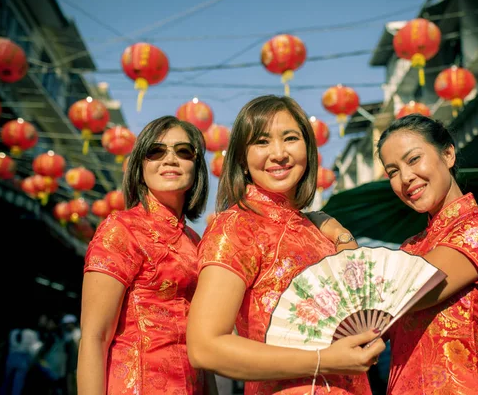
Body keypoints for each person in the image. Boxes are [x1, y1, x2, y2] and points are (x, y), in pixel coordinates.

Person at [187, 94, 386, 395]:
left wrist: (341, 234)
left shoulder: (317, 228)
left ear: (308, 148)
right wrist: (322, 361)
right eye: (262, 142)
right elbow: (205, 347)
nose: (278, 153)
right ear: (241, 158)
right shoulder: (237, 226)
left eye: (290, 138)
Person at [371, 114, 478, 394]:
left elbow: (415, 287)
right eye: (393, 171)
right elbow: (369, 326)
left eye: (413, 159)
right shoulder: (409, 248)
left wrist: (343, 241)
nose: (405, 177)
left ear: (448, 154)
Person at [77, 115, 216, 394]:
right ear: (140, 166)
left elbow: (202, 338)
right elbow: (95, 337)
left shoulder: (196, 242)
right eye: (156, 151)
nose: (170, 159)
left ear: (196, 166)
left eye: (183, 151)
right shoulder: (121, 230)